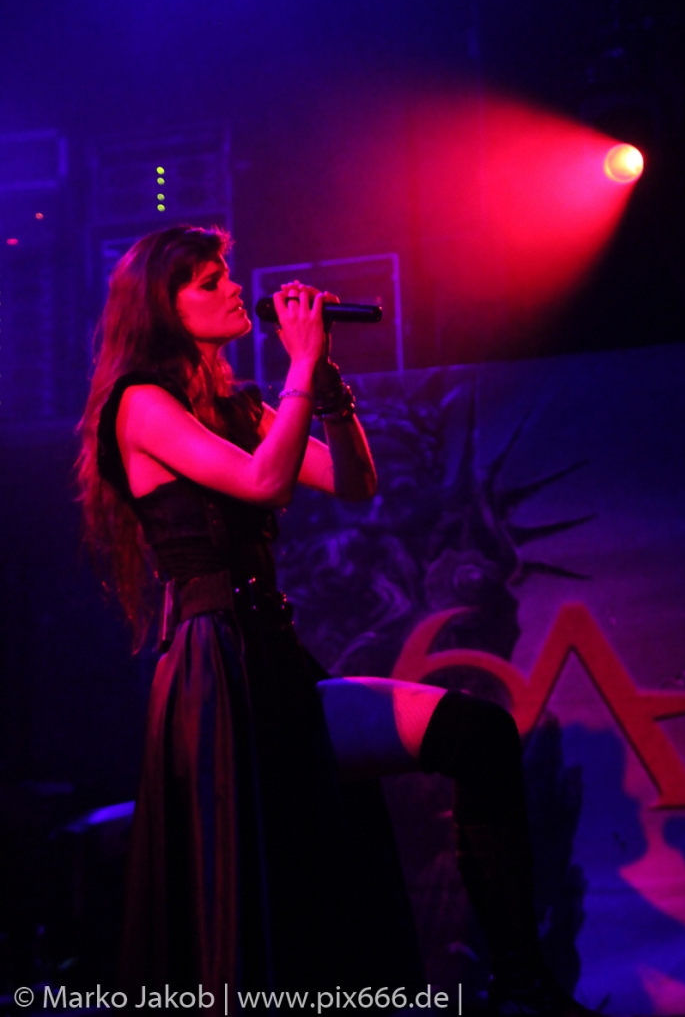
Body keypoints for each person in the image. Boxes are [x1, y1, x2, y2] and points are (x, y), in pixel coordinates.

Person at [77, 225, 595, 1017]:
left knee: (477, 735)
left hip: (274, 660)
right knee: (266, 887)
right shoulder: (141, 405)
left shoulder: (237, 407)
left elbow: (352, 482)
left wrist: (325, 388)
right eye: (208, 281)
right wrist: (297, 367)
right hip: (217, 674)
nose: (233, 288)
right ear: (162, 306)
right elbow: (264, 484)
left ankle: (521, 986)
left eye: (226, 273)